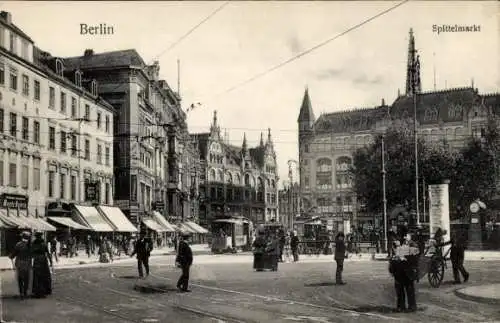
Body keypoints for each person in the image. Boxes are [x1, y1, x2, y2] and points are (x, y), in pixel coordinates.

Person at [389, 234, 419, 312]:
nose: (396, 242)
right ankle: (401, 306)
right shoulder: (395, 248)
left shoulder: (411, 246)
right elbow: (392, 260)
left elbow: (414, 259)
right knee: (400, 290)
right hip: (399, 272)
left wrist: (405, 259)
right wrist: (392, 269)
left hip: (407, 271)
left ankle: (411, 306)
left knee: (409, 289)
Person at [9, 231, 32, 299]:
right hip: (27, 264)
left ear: (22, 237)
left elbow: (14, 254)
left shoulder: (18, 244)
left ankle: (21, 293)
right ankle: (25, 293)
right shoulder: (30, 245)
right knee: (26, 279)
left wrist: (10, 256)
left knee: (20, 279)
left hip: (20, 264)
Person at [31, 231, 53, 298]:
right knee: (44, 275)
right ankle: (45, 290)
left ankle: (37, 291)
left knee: (37, 276)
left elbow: (31, 253)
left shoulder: (33, 244)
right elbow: (48, 253)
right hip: (43, 260)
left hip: (37, 260)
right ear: (41, 236)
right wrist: (51, 261)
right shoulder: (44, 243)